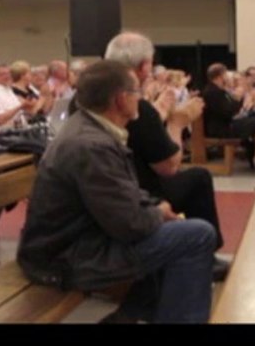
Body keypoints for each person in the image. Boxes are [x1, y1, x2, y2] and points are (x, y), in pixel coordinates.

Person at [17, 60, 217, 323]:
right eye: (136, 92)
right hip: (63, 257)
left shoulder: (91, 127)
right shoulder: (91, 145)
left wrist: (154, 208)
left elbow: (123, 194)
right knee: (196, 235)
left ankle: (131, 315)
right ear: (121, 99)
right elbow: (129, 223)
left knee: (172, 232)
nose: (141, 98)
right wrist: (157, 213)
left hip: (79, 241)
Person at [103, 33, 227, 281]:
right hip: (138, 194)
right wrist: (178, 123)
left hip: (109, 188)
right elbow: (169, 167)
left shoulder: (91, 98)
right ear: (144, 66)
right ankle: (206, 255)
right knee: (198, 177)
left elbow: (135, 131)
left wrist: (158, 111)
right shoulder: (136, 106)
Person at [202, 64, 255, 169]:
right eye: (226, 74)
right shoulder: (212, 92)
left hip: (227, 123)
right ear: (220, 76)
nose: (228, 77)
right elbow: (228, 112)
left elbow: (232, 109)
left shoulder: (219, 90)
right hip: (221, 128)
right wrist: (239, 97)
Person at [0, 63, 39, 131]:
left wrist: (27, 107)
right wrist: (20, 106)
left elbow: (20, 114)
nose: (8, 76)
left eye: (9, 73)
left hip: (18, 131)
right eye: (3, 74)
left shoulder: (8, 90)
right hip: (1, 136)